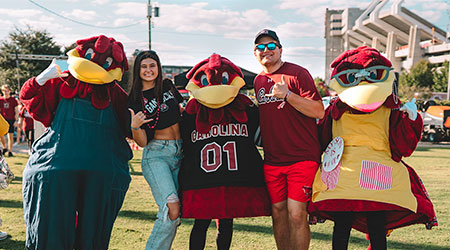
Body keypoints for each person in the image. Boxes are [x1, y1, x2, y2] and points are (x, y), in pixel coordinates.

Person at [308, 46, 437, 250]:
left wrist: (412, 119)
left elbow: (404, 144)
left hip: (351, 177)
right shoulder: (336, 110)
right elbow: (321, 139)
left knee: (359, 226)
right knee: (362, 225)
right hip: (356, 176)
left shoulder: (389, 109)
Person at [20, 35, 132, 250]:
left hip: (100, 171)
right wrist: (41, 78)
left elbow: (132, 125)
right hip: (57, 165)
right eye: (91, 56)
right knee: (49, 230)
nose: (98, 63)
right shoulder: (61, 82)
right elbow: (29, 99)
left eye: (106, 62)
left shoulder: (116, 94)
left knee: (92, 235)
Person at [179, 54, 271, 250]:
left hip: (226, 178)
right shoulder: (192, 111)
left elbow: (262, 136)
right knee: (203, 223)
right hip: (207, 179)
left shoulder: (244, 107)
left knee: (222, 222)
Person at [252, 29, 325, 250]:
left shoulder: (297, 73)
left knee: (296, 214)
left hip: (302, 158)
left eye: (271, 46)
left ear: (280, 49)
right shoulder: (258, 81)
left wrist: (289, 95)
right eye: (260, 47)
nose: (266, 51)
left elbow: (319, 111)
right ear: (255, 53)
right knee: (278, 213)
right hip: (273, 160)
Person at [127, 50, 183, 250]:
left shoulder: (167, 86)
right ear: (138, 70)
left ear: (158, 67)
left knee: (176, 214)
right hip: (157, 155)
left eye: (152, 65)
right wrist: (135, 126)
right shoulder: (134, 99)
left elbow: (181, 110)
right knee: (171, 209)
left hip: (181, 152)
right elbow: (141, 142)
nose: (149, 70)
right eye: (144, 66)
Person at [0, 85, 19, 157]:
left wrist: (16, 120)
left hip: (11, 119)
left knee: (10, 136)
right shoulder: (1, 100)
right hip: (3, 120)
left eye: (7, 90)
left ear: (9, 91)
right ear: (2, 91)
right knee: (1, 135)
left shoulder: (13, 100)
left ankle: (10, 151)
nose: (6, 92)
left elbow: (16, 111)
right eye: (4, 90)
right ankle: (4, 148)